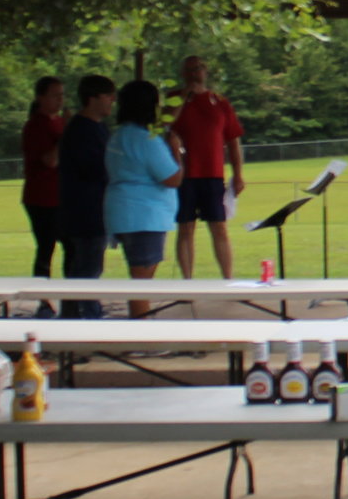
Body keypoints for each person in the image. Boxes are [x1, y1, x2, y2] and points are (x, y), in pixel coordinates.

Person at [103, 78, 182, 316]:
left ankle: (141, 323)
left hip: (124, 211)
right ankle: (140, 328)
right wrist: (176, 150)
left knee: (139, 277)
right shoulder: (146, 140)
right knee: (142, 282)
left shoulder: (118, 136)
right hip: (145, 216)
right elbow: (172, 178)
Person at [167, 55, 247, 280]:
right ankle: (187, 281)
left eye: (198, 69)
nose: (194, 74)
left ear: (205, 71)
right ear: (183, 74)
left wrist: (238, 175)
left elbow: (233, 141)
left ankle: (227, 279)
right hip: (183, 175)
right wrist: (184, 97)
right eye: (189, 70)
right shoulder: (173, 99)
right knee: (185, 229)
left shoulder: (220, 102)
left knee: (219, 227)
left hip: (212, 174)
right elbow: (164, 125)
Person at [56, 74, 116, 319]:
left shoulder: (99, 128)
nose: (112, 101)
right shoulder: (81, 130)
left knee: (89, 266)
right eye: (108, 96)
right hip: (85, 212)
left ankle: (79, 315)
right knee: (86, 269)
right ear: (93, 98)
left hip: (96, 209)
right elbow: (95, 169)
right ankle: (85, 318)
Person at [19, 76, 66, 280]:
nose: (60, 100)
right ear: (40, 98)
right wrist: (66, 136)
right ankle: (42, 292)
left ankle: (71, 292)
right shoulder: (35, 126)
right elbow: (50, 160)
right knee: (47, 247)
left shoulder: (59, 122)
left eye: (62, 95)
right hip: (42, 197)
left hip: (61, 195)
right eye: (55, 96)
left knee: (72, 245)